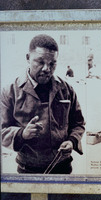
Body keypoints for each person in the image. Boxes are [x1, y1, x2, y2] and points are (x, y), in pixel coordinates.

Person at [1, 34, 85, 174]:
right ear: (28, 58)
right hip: (27, 170)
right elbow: (2, 130)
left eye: (52, 63)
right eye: (40, 62)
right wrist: (22, 134)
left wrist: (71, 141)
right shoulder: (10, 91)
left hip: (62, 168)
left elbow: (78, 123)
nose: (47, 68)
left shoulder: (66, 89)